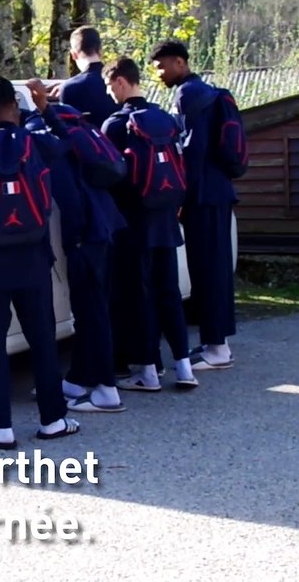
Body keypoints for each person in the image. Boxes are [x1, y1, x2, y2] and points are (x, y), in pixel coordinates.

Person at [0, 76, 81, 450]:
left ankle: (0, 428)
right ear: (15, 104)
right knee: (42, 339)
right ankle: (54, 420)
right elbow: (68, 145)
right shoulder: (37, 144)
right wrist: (45, 110)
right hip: (33, 257)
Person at [23, 79, 127, 413]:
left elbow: (67, 192)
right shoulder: (76, 126)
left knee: (90, 311)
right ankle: (80, 378)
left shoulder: (43, 135)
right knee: (95, 309)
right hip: (108, 225)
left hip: (87, 233)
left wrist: (76, 234)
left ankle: (107, 391)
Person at [101, 57, 197, 392]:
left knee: (137, 295)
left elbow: (108, 176)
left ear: (120, 82)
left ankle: (148, 370)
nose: (109, 93)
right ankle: (184, 367)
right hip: (167, 220)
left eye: (109, 86)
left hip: (132, 223)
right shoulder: (165, 120)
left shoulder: (114, 126)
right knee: (169, 292)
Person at [150, 40, 237, 371]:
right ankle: (219, 341)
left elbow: (191, 149)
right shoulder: (206, 92)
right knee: (213, 268)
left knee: (208, 270)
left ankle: (218, 349)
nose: (159, 73)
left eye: (162, 66)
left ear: (180, 63)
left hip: (203, 195)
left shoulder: (188, 95)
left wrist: (179, 195)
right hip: (217, 192)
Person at [50, 26, 121, 129]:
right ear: (101, 51)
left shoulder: (70, 88)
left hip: (89, 144)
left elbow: (68, 131)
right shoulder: (119, 79)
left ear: (73, 55)